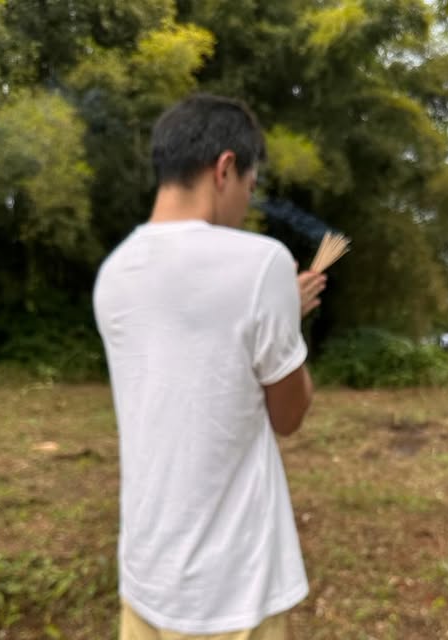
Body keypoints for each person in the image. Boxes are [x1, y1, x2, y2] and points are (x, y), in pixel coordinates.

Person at [93, 93, 326, 640]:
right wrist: (287, 319)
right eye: (249, 184)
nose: (246, 202)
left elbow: (195, 350)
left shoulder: (114, 273)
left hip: (146, 578)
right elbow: (289, 415)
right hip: (234, 590)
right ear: (225, 168)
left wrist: (277, 311)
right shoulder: (262, 262)